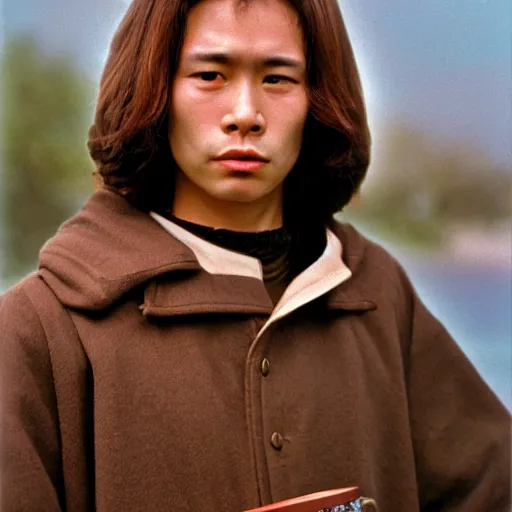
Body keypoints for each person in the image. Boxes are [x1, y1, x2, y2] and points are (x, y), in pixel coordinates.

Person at [0, 0, 509, 509]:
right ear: (155, 90)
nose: (245, 114)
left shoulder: (374, 291)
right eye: (210, 74)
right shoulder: (41, 328)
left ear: (319, 98)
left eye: (278, 79)